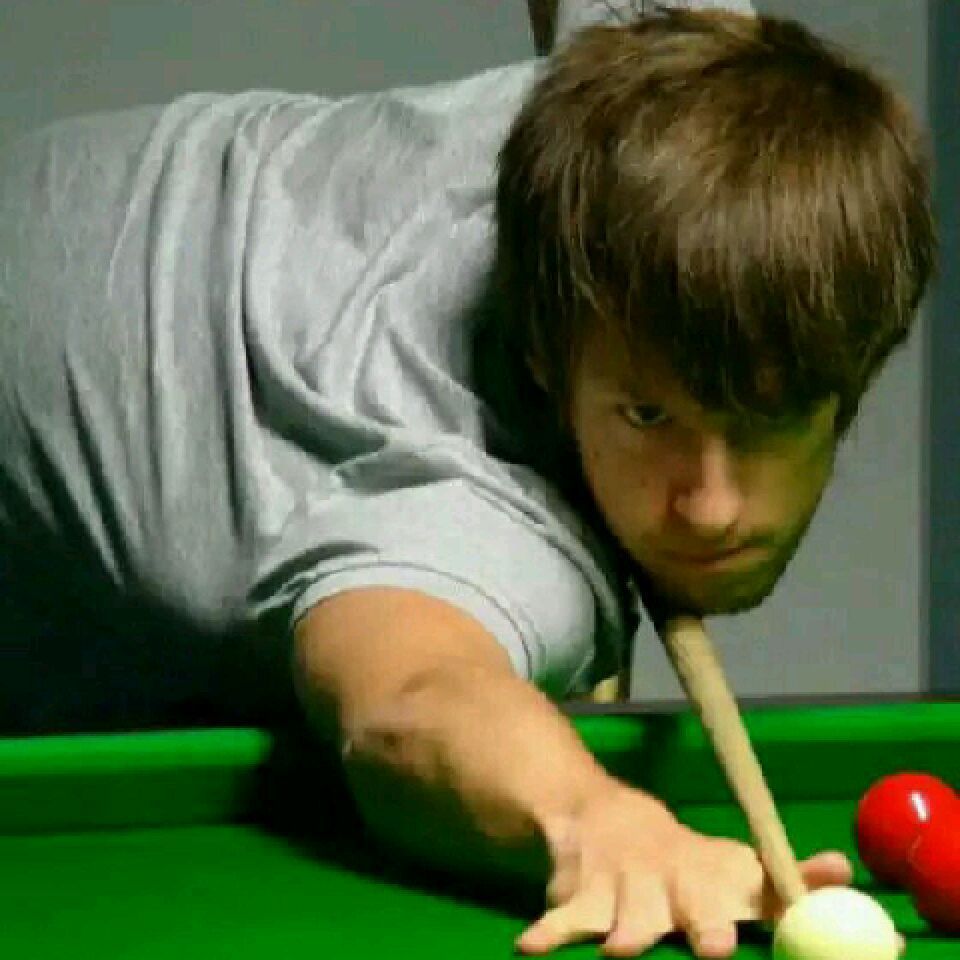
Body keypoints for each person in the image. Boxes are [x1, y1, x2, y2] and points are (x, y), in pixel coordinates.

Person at [0, 4, 935, 957]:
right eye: (648, 415)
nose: (710, 505)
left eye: (770, 419)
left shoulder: (678, 90)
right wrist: (599, 823)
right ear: (545, 358)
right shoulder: (475, 506)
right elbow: (409, 695)